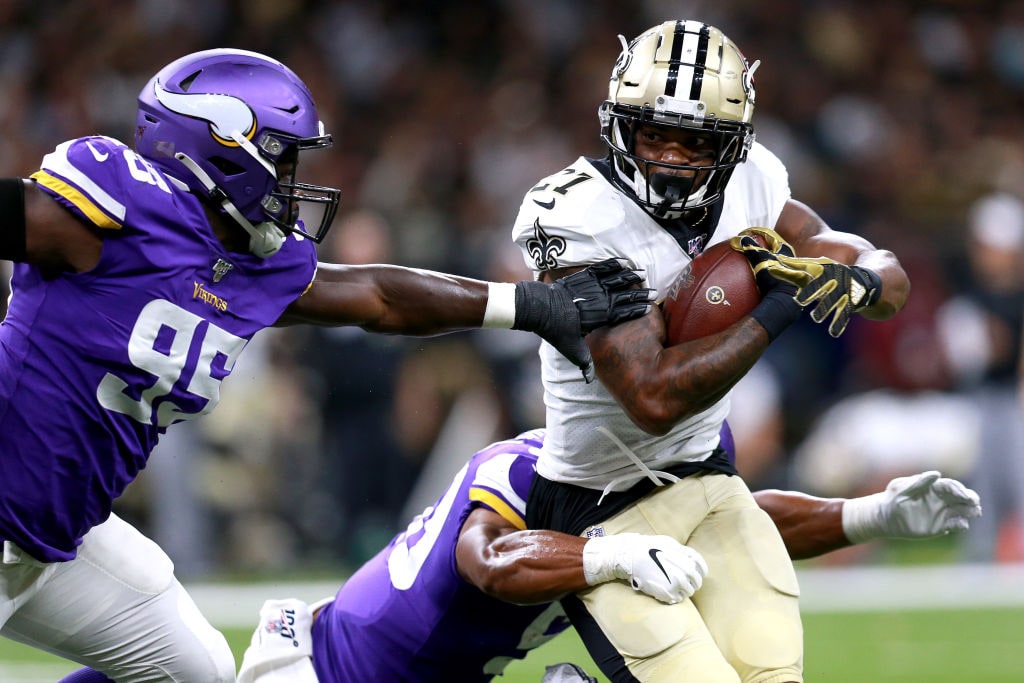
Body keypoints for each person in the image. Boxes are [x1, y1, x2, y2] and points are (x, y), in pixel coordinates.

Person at [0, 48, 655, 683]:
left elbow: (378, 296)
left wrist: (532, 305)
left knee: (192, 669)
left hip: (55, 537)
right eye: (283, 161)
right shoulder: (119, 205)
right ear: (225, 149)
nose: (292, 184)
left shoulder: (255, 265)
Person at [509, 20, 911, 683]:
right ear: (618, 127)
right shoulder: (575, 217)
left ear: (730, 145)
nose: (669, 157)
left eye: (693, 141)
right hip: (599, 500)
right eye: (653, 133)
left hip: (709, 477)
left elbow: (869, 263)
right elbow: (652, 397)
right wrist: (784, 305)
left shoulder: (755, 181)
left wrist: (862, 276)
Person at [233, 427, 980, 683]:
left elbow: (741, 527)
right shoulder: (526, 470)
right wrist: (606, 555)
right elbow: (488, 559)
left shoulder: (651, 478)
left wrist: (869, 513)